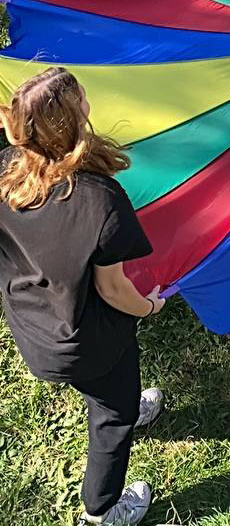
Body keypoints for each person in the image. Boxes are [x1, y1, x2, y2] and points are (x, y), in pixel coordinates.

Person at [0, 68, 166, 525]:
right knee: (113, 414)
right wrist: (150, 306)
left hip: (35, 330)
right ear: (71, 122)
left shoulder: (5, 173)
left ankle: (123, 404)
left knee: (103, 391)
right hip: (84, 340)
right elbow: (113, 289)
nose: (89, 104)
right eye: (83, 100)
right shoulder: (99, 200)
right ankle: (102, 509)